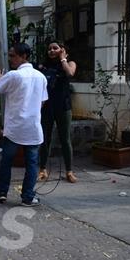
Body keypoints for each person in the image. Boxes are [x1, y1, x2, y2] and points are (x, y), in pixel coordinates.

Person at [0, 43, 48, 207]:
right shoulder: (40, 77)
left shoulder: (13, 76)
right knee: (31, 164)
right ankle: (28, 197)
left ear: (23, 56)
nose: (10, 59)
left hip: (15, 127)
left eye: (13, 55)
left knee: (6, 161)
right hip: (32, 127)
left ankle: (2, 193)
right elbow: (43, 102)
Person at [38, 41, 77, 183]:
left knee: (65, 139)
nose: (52, 50)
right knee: (44, 139)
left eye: (55, 48)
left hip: (63, 106)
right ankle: (42, 169)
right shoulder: (43, 66)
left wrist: (63, 59)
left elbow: (70, 73)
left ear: (62, 50)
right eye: (49, 48)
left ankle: (69, 171)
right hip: (47, 107)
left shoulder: (69, 63)